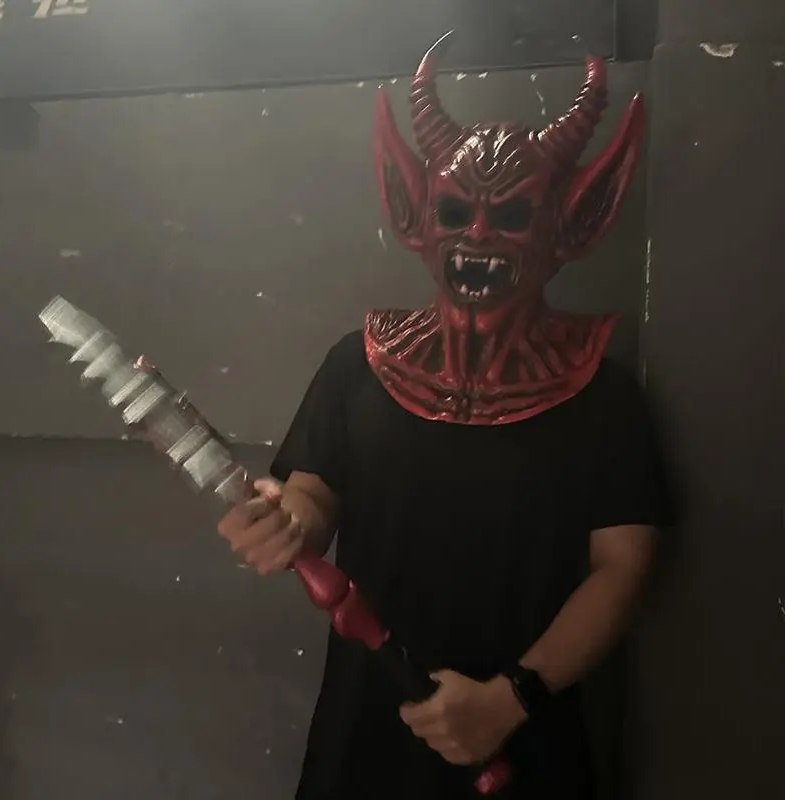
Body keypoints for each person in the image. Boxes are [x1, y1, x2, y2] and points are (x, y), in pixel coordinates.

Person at [218, 32, 672, 800]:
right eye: (456, 212)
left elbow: (623, 569)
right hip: (367, 730)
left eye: (511, 215)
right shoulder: (358, 365)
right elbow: (312, 499)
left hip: (525, 739)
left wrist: (511, 698)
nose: (478, 237)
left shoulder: (603, 395)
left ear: (572, 221)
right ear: (414, 214)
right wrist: (282, 522)